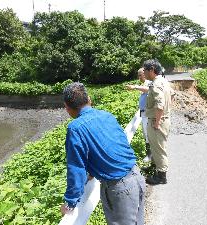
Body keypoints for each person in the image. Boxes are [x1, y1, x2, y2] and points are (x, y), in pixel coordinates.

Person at [60, 82, 146, 225]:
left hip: (119, 188)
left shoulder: (75, 128)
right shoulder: (106, 115)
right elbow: (115, 145)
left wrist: (69, 203)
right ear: (89, 99)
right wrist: (94, 169)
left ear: (67, 108)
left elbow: (76, 169)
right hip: (137, 176)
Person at [143, 59, 174, 185]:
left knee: (159, 149)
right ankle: (156, 169)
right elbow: (172, 94)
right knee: (156, 147)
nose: (143, 72)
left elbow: (160, 105)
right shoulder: (163, 81)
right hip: (163, 119)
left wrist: (157, 121)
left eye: (145, 70)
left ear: (151, 70)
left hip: (158, 121)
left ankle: (161, 176)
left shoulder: (156, 84)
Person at [126, 68, 152, 162]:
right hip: (143, 113)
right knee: (145, 133)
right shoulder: (144, 83)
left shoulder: (149, 82)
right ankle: (149, 154)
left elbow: (148, 90)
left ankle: (150, 155)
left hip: (148, 113)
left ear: (144, 74)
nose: (139, 77)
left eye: (140, 75)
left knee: (148, 134)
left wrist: (135, 87)